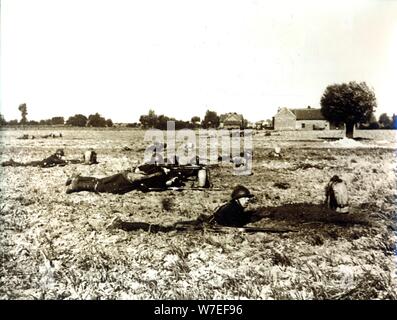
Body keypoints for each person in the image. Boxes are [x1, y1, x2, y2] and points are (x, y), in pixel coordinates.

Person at [107, 185, 260, 232]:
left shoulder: (234, 207)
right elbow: (232, 227)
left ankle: (123, 224)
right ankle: (123, 225)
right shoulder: (232, 208)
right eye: (246, 198)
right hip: (200, 227)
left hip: (202, 223)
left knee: (165, 228)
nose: (247, 201)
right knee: (161, 229)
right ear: (238, 198)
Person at [65, 165, 184, 194]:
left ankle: (78, 179)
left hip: (125, 175)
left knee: (100, 181)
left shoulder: (154, 167)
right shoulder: (160, 175)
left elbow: (137, 168)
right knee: (103, 187)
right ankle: (77, 186)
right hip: (128, 182)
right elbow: (144, 182)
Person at [1, 149, 98, 168]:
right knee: (26, 164)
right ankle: (11, 163)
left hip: (42, 163)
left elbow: (62, 161)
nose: (60, 156)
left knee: (27, 163)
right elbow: (60, 161)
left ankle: (12, 162)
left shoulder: (55, 157)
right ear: (57, 154)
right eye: (60, 154)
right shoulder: (54, 157)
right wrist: (67, 161)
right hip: (40, 163)